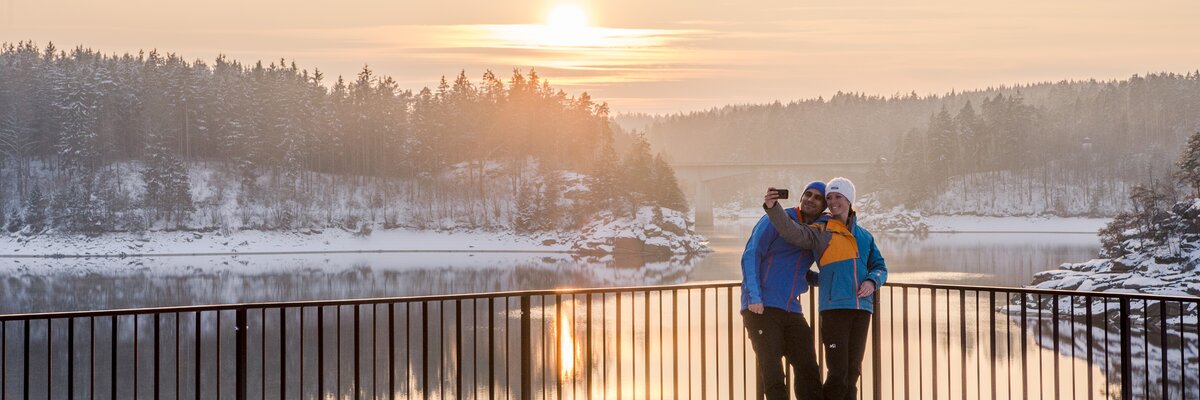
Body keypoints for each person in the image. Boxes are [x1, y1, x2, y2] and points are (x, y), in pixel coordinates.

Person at [762, 177, 888, 400]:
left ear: (849, 200)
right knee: (838, 374)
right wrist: (773, 208)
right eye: (829, 198)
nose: (832, 202)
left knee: (853, 373)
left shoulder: (865, 236)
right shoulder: (820, 230)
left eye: (838, 196)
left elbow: (879, 267)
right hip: (833, 311)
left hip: (862, 310)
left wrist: (872, 281)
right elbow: (791, 232)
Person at [740, 181, 828, 400]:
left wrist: (826, 281)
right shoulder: (778, 218)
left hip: (792, 310)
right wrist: (754, 296)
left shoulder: (814, 232)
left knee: (808, 370)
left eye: (818, 197)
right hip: (762, 307)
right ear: (801, 197)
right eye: (808, 194)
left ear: (824, 205)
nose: (811, 199)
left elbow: (797, 270)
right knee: (773, 375)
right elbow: (751, 255)